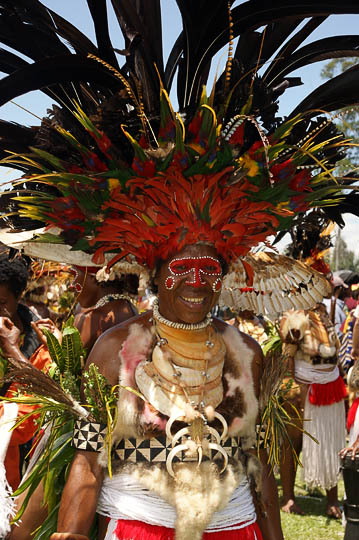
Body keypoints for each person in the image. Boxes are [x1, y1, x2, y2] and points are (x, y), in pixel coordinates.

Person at [50, 243, 283, 540]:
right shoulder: (115, 348)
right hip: (137, 528)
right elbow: (88, 460)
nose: (196, 282)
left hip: (234, 528)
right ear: (155, 275)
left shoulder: (246, 353)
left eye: (209, 269)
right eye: (181, 268)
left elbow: (257, 462)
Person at [279, 301, 347, 519]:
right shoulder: (295, 315)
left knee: (330, 442)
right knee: (293, 442)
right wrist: (291, 386)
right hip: (303, 389)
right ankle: (288, 498)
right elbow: (287, 354)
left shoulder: (323, 312)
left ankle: (332, 500)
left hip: (331, 387)